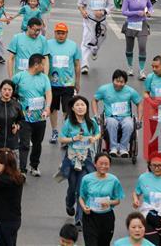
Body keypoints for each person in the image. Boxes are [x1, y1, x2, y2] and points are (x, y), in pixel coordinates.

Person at [59, 95, 101, 225]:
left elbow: (98, 132)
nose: (80, 107)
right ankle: (69, 203)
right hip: (72, 159)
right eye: (77, 105)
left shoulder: (91, 122)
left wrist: (94, 138)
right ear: (72, 108)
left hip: (86, 159)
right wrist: (73, 139)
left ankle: (79, 219)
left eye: (83, 105)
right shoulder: (69, 123)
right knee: (72, 187)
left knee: (81, 188)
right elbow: (61, 138)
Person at [12, 52, 51, 176]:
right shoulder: (19, 77)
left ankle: (34, 166)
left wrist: (48, 108)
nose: (44, 67)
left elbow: (48, 93)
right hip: (24, 117)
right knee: (24, 143)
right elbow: (10, 90)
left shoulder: (44, 77)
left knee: (37, 143)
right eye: (43, 65)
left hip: (40, 117)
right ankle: (22, 169)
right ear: (36, 65)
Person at [79, 152, 125, 246]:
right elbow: (81, 197)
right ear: (95, 164)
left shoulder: (114, 180)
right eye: (101, 163)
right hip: (90, 217)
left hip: (107, 218)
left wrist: (109, 202)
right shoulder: (86, 179)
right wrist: (84, 207)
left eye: (106, 164)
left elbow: (118, 200)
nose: (103, 166)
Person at [94, 70, 141, 157]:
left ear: (125, 82)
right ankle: (113, 148)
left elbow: (139, 103)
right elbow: (94, 100)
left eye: (121, 82)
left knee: (129, 125)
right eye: (117, 81)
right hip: (111, 116)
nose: (119, 84)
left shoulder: (130, 91)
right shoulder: (104, 89)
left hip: (125, 117)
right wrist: (96, 115)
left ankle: (123, 148)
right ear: (113, 80)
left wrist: (140, 119)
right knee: (112, 123)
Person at [121, 0, 153, 78]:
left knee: (142, 47)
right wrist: (136, 13)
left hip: (142, 24)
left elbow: (150, 7)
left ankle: (141, 71)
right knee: (129, 48)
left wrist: (149, 12)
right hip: (130, 24)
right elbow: (123, 11)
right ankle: (130, 68)